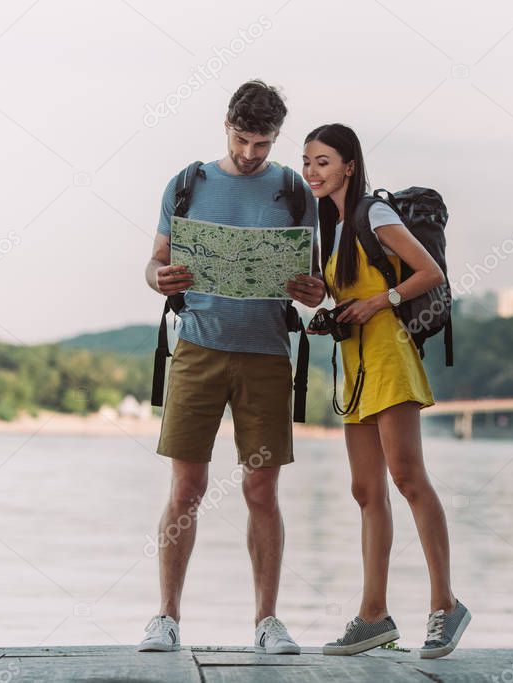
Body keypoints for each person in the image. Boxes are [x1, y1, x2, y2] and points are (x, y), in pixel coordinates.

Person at [137, 80, 325, 654]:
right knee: (186, 487)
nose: (250, 154)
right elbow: (155, 262)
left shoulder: (297, 192)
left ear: (276, 139)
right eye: (243, 140)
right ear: (226, 125)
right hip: (195, 348)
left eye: (262, 144)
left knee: (261, 490)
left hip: (268, 354)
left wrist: (312, 290)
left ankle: (267, 621)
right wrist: (158, 277)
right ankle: (166, 617)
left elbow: (315, 288)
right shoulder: (187, 184)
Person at [302, 123, 471, 659]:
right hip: (353, 367)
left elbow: (430, 272)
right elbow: (344, 288)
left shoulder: (374, 214)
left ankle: (446, 605)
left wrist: (381, 302)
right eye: (307, 161)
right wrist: (315, 294)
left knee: (408, 477)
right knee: (365, 491)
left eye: (323, 161)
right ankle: (373, 616)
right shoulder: (327, 227)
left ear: (349, 165)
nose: (312, 171)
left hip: (389, 356)